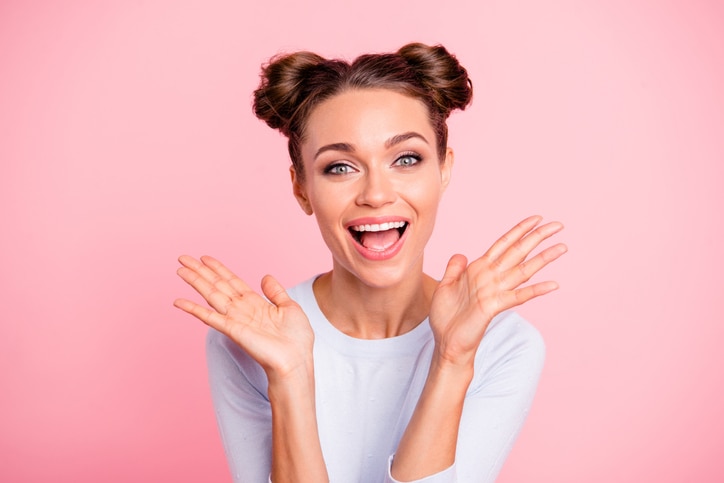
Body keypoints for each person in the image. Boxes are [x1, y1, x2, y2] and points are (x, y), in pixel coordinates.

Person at [174, 42, 567, 483]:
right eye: (340, 167)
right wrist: (290, 379)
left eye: (406, 159)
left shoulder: (503, 345)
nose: (377, 194)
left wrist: (452, 362)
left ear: (443, 170)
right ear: (301, 189)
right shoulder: (251, 341)